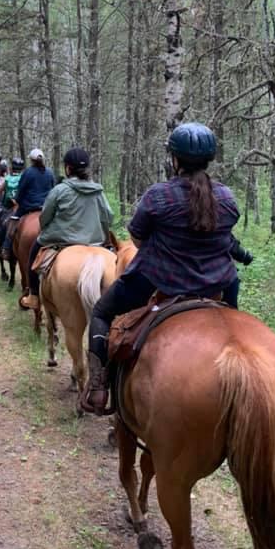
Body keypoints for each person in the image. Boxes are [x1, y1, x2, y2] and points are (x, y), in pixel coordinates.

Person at [81, 122, 242, 415]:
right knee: (234, 301)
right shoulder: (227, 197)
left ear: (175, 159)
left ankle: (98, 386)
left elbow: (138, 238)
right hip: (217, 283)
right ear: (209, 160)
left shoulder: (159, 196)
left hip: (161, 280)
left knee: (102, 312)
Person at [20, 147, 113, 309]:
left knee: (34, 252)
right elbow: (108, 217)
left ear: (68, 168)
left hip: (62, 241)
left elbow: (45, 217)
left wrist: (47, 228)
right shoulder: (98, 191)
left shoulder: (59, 190)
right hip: (94, 242)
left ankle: (33, 295)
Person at [0, 148, 55, 260]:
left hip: (28, 207)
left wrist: (17, 200)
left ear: (31, 160)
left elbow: (21, 190)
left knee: (11, 223)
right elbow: (53, 190)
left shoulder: (28, 172)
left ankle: (6, 249)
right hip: (46, 208)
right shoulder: (50, 172)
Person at [0, 156, 24, 245]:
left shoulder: (8, 178)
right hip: (21, 205)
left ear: (12, 168)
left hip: (7, 205)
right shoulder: (23, 178)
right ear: (21, 169)